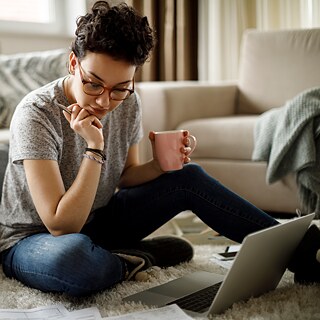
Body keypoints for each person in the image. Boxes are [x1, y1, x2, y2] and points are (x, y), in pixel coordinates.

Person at [0, 1, 318, 297]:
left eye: (120, 88)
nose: (103, 101)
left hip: (99, 221)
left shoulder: (129, 103)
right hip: (34, 239)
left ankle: (305, 249)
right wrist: (94, 148)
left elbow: (125, 177)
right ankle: (137, 258)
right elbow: (61, 224)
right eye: (93, 83)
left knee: (188, 176)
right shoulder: (36, 113)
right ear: (74, 63)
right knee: (72, 262)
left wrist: (161, 166)